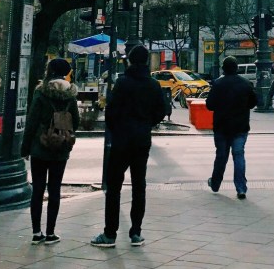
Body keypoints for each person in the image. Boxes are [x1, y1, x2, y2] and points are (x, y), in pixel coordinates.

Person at [91, 45, 166, 248]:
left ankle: (110, 233)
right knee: (139, 186)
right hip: (142, 139)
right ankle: (136, 233)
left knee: (114, 186)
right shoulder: (153, 84)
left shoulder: (122, 83)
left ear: (130, 61)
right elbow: (162, 110)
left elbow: (111, 111)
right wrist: (147, 123)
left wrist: (117, 128)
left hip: (122, 139)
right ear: (147, 61)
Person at [21, 57, 79, 245]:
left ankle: (36, 232)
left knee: (38, 189)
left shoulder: (41, 92)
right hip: (61, 147)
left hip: (40, 146)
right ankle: (51, 232)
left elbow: (31, 121)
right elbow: (76, 121)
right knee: (55, 189)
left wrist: (25, 147)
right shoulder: (70, 94)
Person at [205, 55, 257, 199]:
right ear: (237, 68)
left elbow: (209, 105)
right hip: (240, 126)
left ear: (223, 69)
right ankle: (241, 188)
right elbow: (253, 102)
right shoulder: (246, 84)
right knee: (239, 155)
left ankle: (215, 183)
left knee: (221, 156)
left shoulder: (218, 84)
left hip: (222, 126)